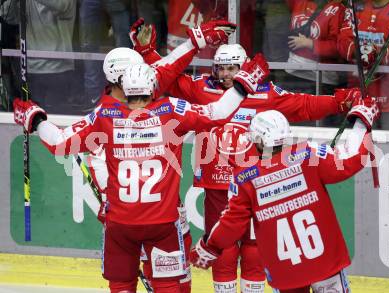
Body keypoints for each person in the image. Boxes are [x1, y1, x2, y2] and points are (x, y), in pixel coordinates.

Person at [130, 20, 364, 293]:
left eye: (232, 68)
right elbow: (165, 80)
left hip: (258, 185)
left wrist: (340, 101)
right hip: (219, 186)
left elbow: (305, 104)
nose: (225, 74)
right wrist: (148, 54)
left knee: (254, 249)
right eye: (220, 68)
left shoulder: (266, 94)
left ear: (244, 68)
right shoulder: (202, 89)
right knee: (225, 249)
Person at [13, 47, 270, 293]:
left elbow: (59, 143)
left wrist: (35, 119)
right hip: (162, 225)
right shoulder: (171, 110)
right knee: (169, 286)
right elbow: (219, 112)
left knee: (121, 286)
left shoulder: (105, 115)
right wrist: (243, 84)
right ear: (151, 87)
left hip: (121, 225)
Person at [86, 19, 236, 293]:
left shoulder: (120, 101)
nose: (148, 74)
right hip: (134, 210)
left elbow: (166, 69)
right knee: (148, 269)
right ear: (122, 77)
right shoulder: (111, 112)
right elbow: (96, 158)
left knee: (176, 266)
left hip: (162, 206)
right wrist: (109, 196)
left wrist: (189, 43)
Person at [189, 98, 381, 292]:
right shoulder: (308, 154)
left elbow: (232, 224)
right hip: (325, 262)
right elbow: (351, 159)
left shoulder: (245, 178)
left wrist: (208, 248)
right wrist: (362, 122)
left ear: (258, 141)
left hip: (285, 271)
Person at [337, 0, 389, 130]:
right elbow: (342, 43)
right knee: (356, 149)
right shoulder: (355, 8)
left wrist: (372, 53)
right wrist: (360, 52)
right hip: (360, 100)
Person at [0, 0, 77, 114]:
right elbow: (7, 15)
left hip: (58, 69)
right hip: (30, 70)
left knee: (56, 122)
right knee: (31, 123)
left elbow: (62, 6)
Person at [284, 0, 347, 127]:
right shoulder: (299, 2)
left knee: (319, 131)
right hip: (294, 74)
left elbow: (342, 49)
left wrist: (310, 43)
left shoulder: (337, 8)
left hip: (322, 80)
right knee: (292, 128)